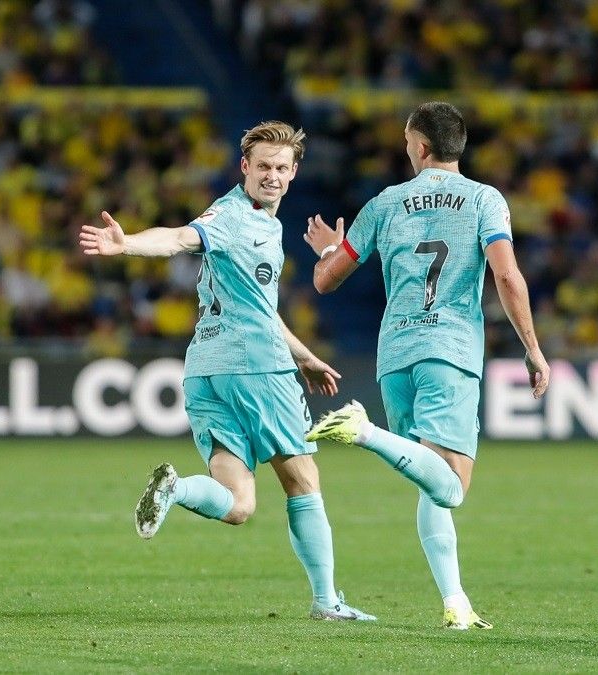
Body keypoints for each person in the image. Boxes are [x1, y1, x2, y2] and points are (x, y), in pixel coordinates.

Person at [78, 120, 375, 621]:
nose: (272, 176)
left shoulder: (263, 225)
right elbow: (177, 238)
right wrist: (126, 244)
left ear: (295, 172)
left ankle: (178, 489)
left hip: (204, 371)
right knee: (303, 482)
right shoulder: (233, 217)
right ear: (244, 167)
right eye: (263, 167)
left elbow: (259, 306)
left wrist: (303, 356)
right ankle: (327, 602)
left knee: (238, 504)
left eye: (281, 168)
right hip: (256, 369)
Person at [301, 101, 549, 629]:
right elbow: (506, 277)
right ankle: (362, 431)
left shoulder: (384, 204)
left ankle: (456, 603)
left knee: (430, 477)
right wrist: (532, 347)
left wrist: (327, 250)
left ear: (419, 145)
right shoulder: (486, 200)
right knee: (452, 486)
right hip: (451, 350)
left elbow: (326, 282)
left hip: (395, 355)